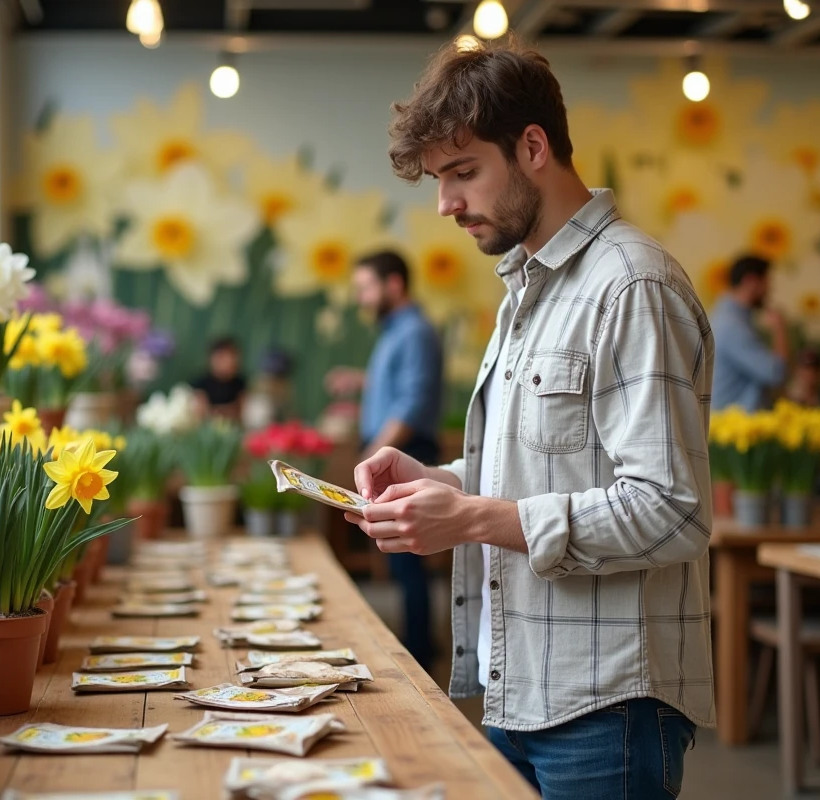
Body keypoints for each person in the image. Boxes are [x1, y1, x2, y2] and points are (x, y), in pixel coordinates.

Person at [345, 39, 713, 798]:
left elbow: (672, 510)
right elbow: (545, 467)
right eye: (440, 181)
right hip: (516, 689)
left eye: (463, 172)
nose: (446, 205)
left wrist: (472, 517)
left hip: (605, 705)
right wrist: (440, 481)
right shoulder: (526, 290)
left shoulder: (631, 285)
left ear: (534, 147)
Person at [325, 250, 443, 671]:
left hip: (405, 455)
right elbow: (399, 383)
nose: (361, 298)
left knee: (407, 560)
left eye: (366, 287)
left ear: (394, 284)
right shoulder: (398, 331)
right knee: (399, 558)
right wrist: (361, 380)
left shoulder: (414, 332)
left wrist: (373, 453)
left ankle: (419, 653)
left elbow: (412, 404)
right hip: (394, 453)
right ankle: (417, 645)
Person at [710, 255, 788, 411]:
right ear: (750, 281)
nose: (769, 291)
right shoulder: (732, 326)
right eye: (766, 283)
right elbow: (776, 374)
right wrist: (779, 329)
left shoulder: (728, 318)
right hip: (734, 423)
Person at [191, 336, 248, 422]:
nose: (228, 362)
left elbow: (241, 411)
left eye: (231, 357)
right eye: (222, 357)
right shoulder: (201, 383)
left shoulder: (240, 383)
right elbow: (200, 411)